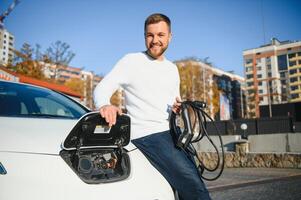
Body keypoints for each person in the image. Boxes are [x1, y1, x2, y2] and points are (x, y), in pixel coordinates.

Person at [93, 13, 211, 200]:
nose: (155, 40)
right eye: (150, 35)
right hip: (148, 135)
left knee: (187, 186)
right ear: (145, 36)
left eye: (160, 35)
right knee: (195, 189)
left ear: (170, 36)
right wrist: (105, 105)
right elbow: (101, 88)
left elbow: (173, 101)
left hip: (173, 133)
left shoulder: (172, 69)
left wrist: (178, 108)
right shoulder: (131, 61)